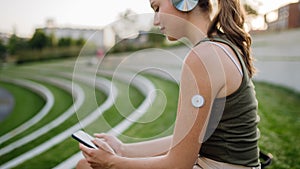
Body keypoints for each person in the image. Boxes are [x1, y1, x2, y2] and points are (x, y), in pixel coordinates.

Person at [76, 0, 260, 168]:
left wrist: (112, 163)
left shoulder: (204, 56)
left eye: (157, 8)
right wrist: (123, 150)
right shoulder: (217, 46)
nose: (155, 21)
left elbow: (178, 164)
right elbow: (188, 141)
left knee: (84, 166)